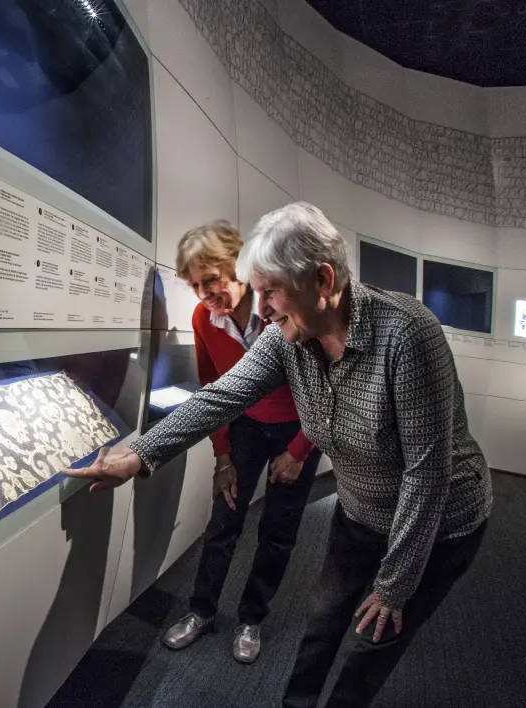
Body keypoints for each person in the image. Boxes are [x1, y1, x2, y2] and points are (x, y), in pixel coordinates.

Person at [67, 202, 492, 708]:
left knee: (373, 642)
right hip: (359, 513)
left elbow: (427, 473)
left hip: (438, 523)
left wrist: (396, 583)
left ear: (323, 280)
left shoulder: (408, 334)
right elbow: (219, 397)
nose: (262, 308)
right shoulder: (286, 338)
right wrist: (138, 456)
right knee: (324, 622)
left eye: (271, 292)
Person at [161, 220, 322, 664]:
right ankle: (202, 611)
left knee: (277, 531)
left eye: (210, 280)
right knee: (223, 522)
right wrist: (223, 455)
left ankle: (252, 617)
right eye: (195, 286)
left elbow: (323, 389)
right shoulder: (203, 318)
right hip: (246, 427)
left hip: (298, 428)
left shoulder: (281, 306)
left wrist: (299, 451)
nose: (204, 295)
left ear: (235, 265)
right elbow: (213, 387)